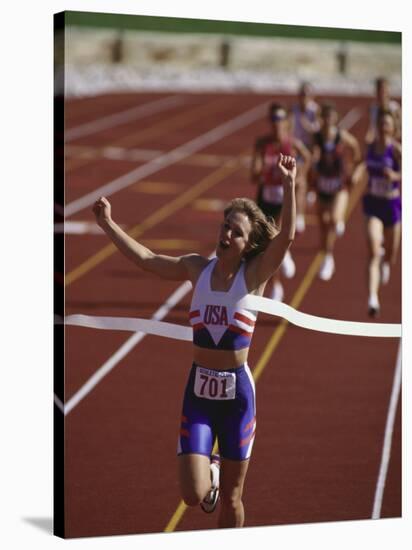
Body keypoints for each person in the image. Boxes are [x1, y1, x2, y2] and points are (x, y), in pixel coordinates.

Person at [93, 154, 297, 529]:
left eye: (236, 232)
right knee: (192, 495)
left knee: (233, 499)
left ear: (248, 244)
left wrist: (288, 186)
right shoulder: (196, 269)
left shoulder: (253, 277)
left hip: (237, 399)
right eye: (224, 226)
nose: (226, 234)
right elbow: (148, 259)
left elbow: (285, 238)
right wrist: (108, 224)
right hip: (199, 396)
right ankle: (212, 474)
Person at [251, 102, 310, 301]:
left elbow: (308, 158)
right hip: (266, 196)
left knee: (276, 235)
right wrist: (261, 169)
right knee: (266, 242)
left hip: (284, 195)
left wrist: (301, 176)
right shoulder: (261, 144)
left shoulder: (292, 143)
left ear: (286, 122)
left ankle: (284, 255)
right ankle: (276, 284)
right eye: (274, 119)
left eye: (280, 119)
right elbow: (253, 173)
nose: (277, 124)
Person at [311, 102, 361, 281]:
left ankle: (339, 221)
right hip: (322, 187)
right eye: (324, 117)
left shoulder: (341, 136)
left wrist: (354, 168)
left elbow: (355, 147)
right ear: (321, 119)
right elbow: (312, 156)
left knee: (333, 220)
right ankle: (328, 257)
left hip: (339, 187)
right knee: (323, 226)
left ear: (335, 119)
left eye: (330, 118)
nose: (327, 121)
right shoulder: (315, 137)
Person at [361, 109, 401, 316]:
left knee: (391, 254)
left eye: (387, 125)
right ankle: (373, 298)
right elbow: (363, 165)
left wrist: (395, 174)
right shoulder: (370, 148)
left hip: (392, 205)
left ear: (393, 128)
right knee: (374, 251)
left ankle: (387, 262)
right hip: (373, 205)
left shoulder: (396, 150)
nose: (383, 128)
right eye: (381, 124)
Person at [290, 82, 321, 233]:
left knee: (307, 178)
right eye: (302, 94)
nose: (304, 98)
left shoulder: (314, 110)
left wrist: (306, 124)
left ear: (311, 96)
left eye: (307, 95)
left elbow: (318, 132)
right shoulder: (294, 109)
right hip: (297, 149)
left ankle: (312, 189)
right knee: (299, 182)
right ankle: (299, 214)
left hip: (310, 147)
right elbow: (289, 128)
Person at [365, 77, 401, 144]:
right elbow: (371, 128)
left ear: (388, 90)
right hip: (378, 145)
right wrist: (368, 139)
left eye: (384, 89)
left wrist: (389, 141)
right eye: (379, 89)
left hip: (391, 144)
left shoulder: (394, 107)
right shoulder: (373, 108)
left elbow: (399, 131)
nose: (382, 92)